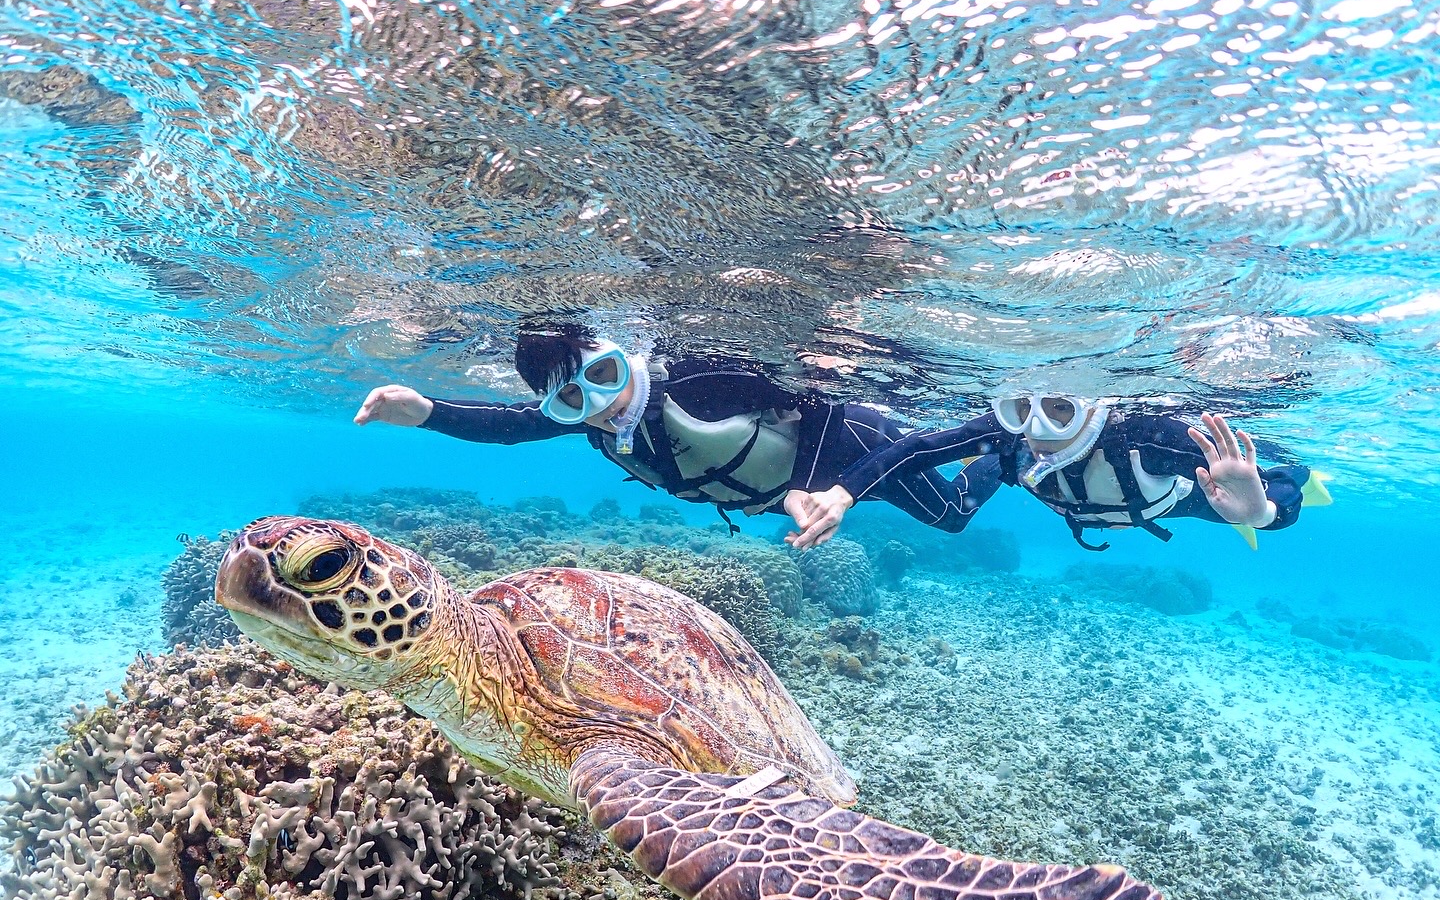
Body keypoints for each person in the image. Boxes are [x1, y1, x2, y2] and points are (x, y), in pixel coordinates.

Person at [354, 324, 1001, 537]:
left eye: (605, 375)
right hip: (798, 490)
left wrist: (808, 488)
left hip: (852, 445)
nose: (602, 404)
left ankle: (1002, 450)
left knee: (952, 516)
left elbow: (819, 402)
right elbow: (510, 426)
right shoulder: (599, 424)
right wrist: (427, 412)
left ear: (622, 353)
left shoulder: (696, 378)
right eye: (574, 400)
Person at [787, 392, 1328, 550]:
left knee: (1251, 496)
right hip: (1048, 487)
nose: (1037, 431)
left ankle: (1304, 468)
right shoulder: (1011, 436)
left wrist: (1260, 511)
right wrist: (843, 493)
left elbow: (1274, 499)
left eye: (1061, 411)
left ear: (1095, 408)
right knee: (957, 509)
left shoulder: (1145, 437)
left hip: (1168, 502)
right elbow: (917, 448)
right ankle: (995, 468)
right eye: (1022, 409)